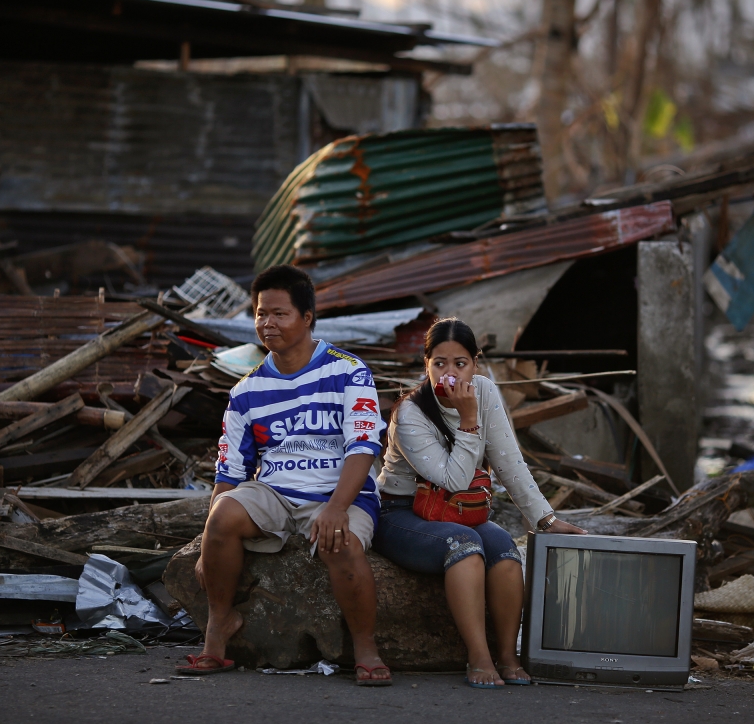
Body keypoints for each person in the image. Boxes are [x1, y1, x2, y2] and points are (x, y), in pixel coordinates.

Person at [185, 264, 392, 686]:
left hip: (340, 492)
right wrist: (209, 540)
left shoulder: (348, 371)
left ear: (307, 317)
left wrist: (337, 508)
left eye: (280, 314)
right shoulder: (246, 392)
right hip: (275, 493)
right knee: (223, 516)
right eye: (261, 314)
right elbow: (230, 471)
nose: (268, 324)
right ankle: (219, 627)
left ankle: (365, 648)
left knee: (342, 543)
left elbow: (363, 447)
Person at [374, 317, 586, 689]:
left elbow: (508, 461)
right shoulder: (410, 413)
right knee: (466, 547)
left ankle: (507, 656)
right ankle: (479, 657)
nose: (450, 373)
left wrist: (545, 519)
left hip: (455, 512)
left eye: (460, 363)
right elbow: (455, 480)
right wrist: (469, 419)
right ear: (426, 364)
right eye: (439, 363)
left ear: (476, 362)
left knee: (504, 551)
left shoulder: (485, 390)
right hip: (401, 514)